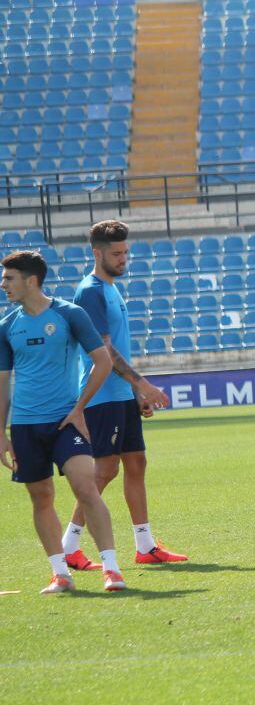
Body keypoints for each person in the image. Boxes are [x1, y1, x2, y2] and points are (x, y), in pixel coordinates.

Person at [61, 220, 183, 571]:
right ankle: (69, 544)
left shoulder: (111, 288)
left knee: (135, 463)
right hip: (102, 395)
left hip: (120, 395)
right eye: (116, 253)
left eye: (125, 252)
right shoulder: (91, 291)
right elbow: (104, 350)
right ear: (96, 252)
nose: (123, 258)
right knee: (104, 470)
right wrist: (142, 384)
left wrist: (135, 393)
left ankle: (145, 545)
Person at [0, 250, 125, 593]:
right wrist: (1, 432)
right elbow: (2, 384)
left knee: (86, 488)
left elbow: (102, 361)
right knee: (41, 498)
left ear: (31, 280)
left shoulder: (70, 314)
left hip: (64, 421)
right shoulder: (8, 326)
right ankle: (60, 573)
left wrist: (80, 407)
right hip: (25, 426)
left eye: (9, 278)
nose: (3, 284)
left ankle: (111, 568)